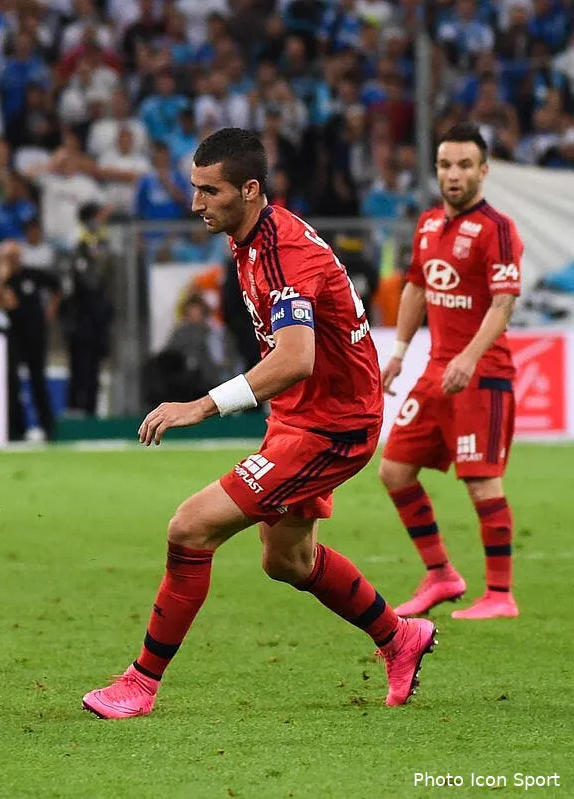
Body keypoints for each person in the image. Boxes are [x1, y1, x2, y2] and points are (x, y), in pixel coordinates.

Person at [82, 129, 436, 719]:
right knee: (287, 561)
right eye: (195, 189)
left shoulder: (282, 254)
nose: (196, 203)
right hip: (303, 413)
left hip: (334, 426)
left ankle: (139, 684)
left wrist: (202, 405)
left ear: (249, 190)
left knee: (190, 529)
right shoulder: (252, 235)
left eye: (209, 191)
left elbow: (298, 357)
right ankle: (400, 638)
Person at [378, 123, 524, 620]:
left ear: (484, 171)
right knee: (394, 471)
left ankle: (500, 594)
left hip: (483, 376)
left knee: (482, 482)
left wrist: (469, 356)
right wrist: (398, 351)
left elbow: (503, 302)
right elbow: (417, 287)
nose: (453, 174)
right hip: (435, 371)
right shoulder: (426, 225)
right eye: (445, 165)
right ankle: (440, 574)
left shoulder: (498, 228)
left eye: (464, 165)